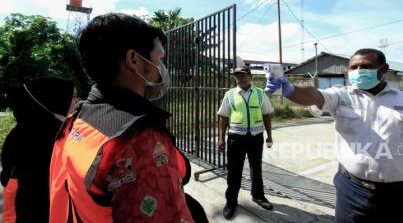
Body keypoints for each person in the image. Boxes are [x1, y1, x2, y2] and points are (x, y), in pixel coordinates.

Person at [265, 48, 403, 223]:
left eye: (365, 66)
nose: (358, 71)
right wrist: (290, 90)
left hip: (399, 196)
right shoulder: (342, 96)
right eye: (354, 67)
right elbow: (315, 95)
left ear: (383, 69)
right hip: (352, 190)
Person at [49, 13, 194, 222]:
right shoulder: (139, 140)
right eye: (160, 59)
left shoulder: (80, 117)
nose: (162, 69)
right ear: (133, 59)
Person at [1, 76, 77, 223]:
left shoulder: (63, 130)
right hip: (32, 213)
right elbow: (11, 188)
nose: (77, 101)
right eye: (73, 97)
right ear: (52, 101)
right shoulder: (20, 139)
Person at [218, 65, 274, 219]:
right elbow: (223, 117)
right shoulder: (229, 95)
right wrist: (221, 138)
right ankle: (231, 202)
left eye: (242, 75)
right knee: (234, 171)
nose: (239, 78)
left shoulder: (260, 94)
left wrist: (269, 135)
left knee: (256, 168)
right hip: (236, 138)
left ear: (250, 77)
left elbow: (267, 115)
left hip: (256, 137)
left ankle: (258, 196)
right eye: (237, 75)